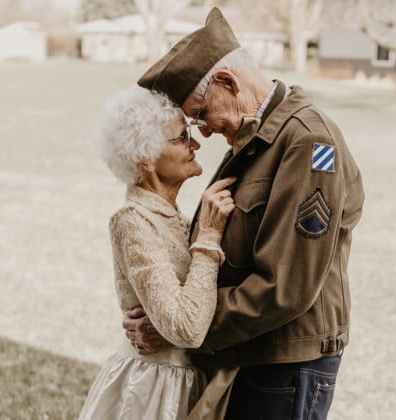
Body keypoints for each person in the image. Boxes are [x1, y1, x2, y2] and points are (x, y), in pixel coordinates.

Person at [122, 7, 365, 419]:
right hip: (256, 353)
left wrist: (182, 327)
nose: (203, 131)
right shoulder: (261, 138)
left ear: (227, 83)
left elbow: (285, 287)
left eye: (200, 114)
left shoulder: (306, 142)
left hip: (285, 363)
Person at [79, 85, 236, 419]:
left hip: (187, 384)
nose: (195, 144)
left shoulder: (176, 216)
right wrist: (208, 237)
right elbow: (187, 328)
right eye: (181, 138)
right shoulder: (132, 221)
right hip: (152, 394)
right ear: (145, 158)